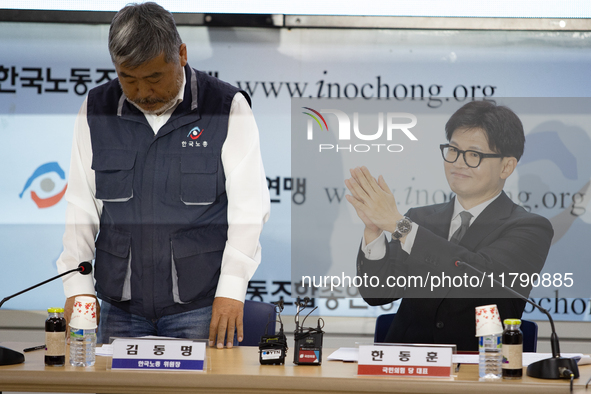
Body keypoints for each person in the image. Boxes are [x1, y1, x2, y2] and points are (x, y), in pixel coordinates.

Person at [56, 2, 270, 348]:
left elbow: (249, 209)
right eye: (129, 78)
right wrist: (78, 290)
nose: (143, 92)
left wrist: (232, 289)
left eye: (154, 77)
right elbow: (81, 206)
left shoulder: (226, 107)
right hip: (118, 307)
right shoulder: (97, 109)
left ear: (181, 54)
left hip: (199, 307)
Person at [345, 100, 553, 350]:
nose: (458, 162)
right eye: (453, 150)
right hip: (406, 368)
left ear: (506, 166)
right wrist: (374, 229)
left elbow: (479, 277)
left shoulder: (529, 228)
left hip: (480, 369)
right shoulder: (420, 220)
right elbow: (378, 293)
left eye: (474, 154)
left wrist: (398, 225)